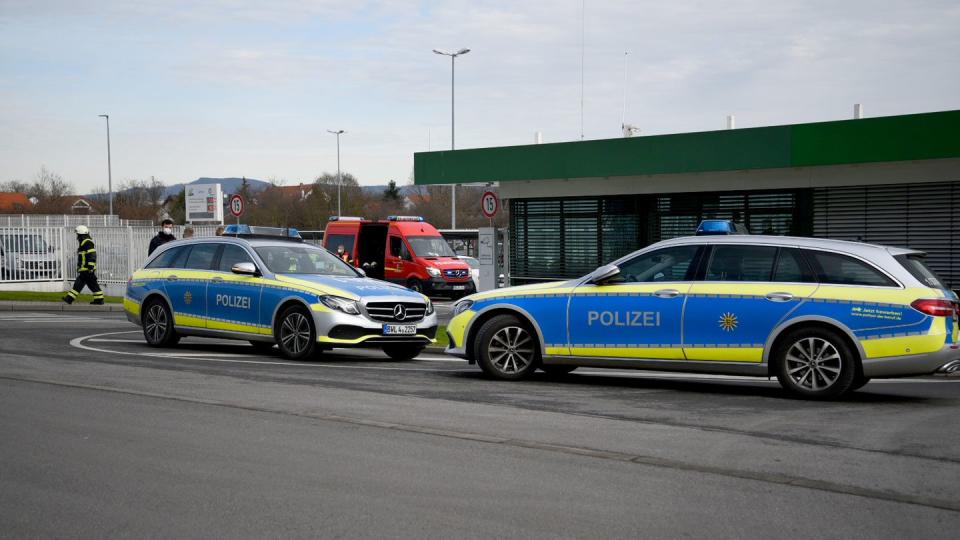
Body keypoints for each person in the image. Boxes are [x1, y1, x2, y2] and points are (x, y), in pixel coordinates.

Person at [63, 225, 104, 305]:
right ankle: (99, 299)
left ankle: (69, 298)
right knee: (91, 284)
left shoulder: (87, 242)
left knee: (81, 284)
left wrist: (90, 266)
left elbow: (92, 254)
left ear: (81, 234)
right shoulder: (84, 242)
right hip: (85, 269)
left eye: (78, 234)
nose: (77, 236)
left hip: (87, 269)